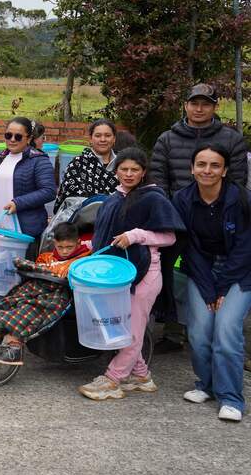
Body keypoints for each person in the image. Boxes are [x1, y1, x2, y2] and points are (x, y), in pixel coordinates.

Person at [78, 147, 184, 400]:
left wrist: (136, 235)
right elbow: (108, 237)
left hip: (145, 275)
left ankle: (113, 379)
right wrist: (88, 247)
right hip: (115, 277)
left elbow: (170, 236)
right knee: (125, 325)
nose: (128, 174)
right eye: (123, 169)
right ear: (115, 172)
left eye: (134, 169)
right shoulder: (112, 199)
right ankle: (140, 375)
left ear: (143, 172)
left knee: (132, 330)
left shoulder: (153, 198)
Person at [150, 83, 248, 354]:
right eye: (195, 103)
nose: (199, 108)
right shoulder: (167, 139)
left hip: (218, 220)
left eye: (206, 103)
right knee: (175, 273)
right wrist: (170, 215)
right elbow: (159, 181)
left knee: (220, 271)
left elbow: (237, 182)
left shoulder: (231, 139)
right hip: (177, 219)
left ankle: (220, 330)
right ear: (185, 105)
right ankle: (173, 329)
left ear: (215, 107)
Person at [173, 145, 251, 422]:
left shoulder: (241, 199)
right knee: (199, 331)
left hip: (239, 273)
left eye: (215, 165)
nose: (208, 170)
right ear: (192, 168)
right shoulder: (182, 199)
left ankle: (231, 398)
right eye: (202, 164)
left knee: (227, 331)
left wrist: (221, 288)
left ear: (225, 170)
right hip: (201, 270)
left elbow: (245, 248)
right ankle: (205, 384)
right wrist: (208, 288)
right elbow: (189, 247)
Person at [0, 222, 92, 365]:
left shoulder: (83, 260)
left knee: (32, 307)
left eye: (69, 247)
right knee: (13, 300)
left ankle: (14, 344)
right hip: (37, 287)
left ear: (78, 243)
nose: (64, 251)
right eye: (60, 247)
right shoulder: (47, 257)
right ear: (54, 243)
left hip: (59, 294)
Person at [0, 117, 56, 253]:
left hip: (22, 230)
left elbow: (49, 191)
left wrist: (18, 203)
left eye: (18, 136)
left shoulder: (38, 160)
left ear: (29, 138)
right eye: (8, 135)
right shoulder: (1, 158)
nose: (12, 139)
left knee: (20, 273)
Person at [55, 118, 119, 206]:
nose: (103, 139)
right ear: (90, 139)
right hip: (84, 217)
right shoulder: (78, 164)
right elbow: (69, 197)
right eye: (98, 135)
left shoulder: (122, 164)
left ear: (114, 138)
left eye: (108, 135)